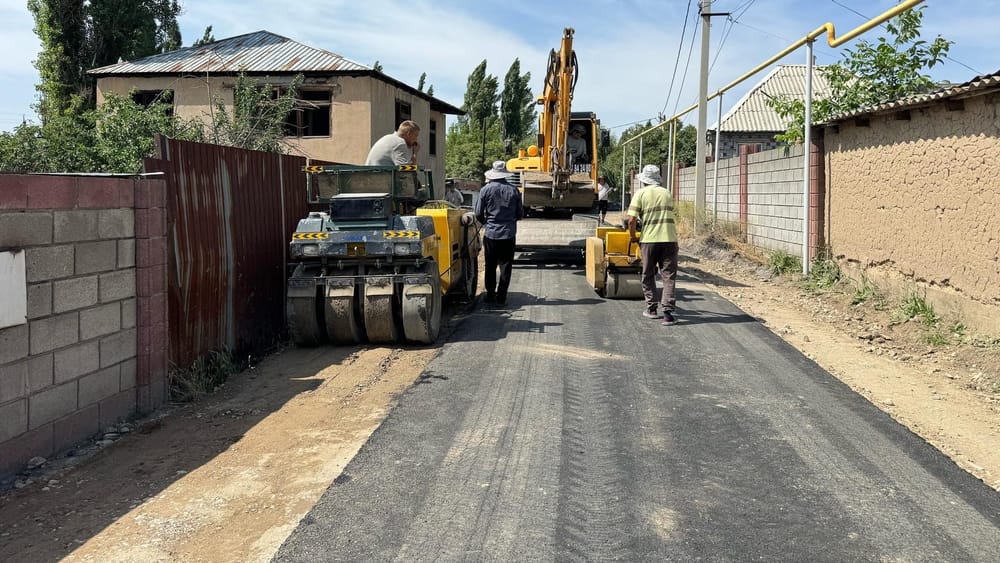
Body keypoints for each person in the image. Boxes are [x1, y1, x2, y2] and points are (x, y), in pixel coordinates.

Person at [627, 164, 679, 326]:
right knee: (668, 276)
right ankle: (668, 314)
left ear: (644, 180)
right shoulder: (667, 193)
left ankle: (652, 309)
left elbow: (631, 220)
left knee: (648, 274)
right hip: (669, 239)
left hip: (649, 239)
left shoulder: (640, 194)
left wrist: (633, 236)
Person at [474, 160, 524, 306]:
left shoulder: (485, 190)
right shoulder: (514, 190)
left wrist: (485, 221)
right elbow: (520, 214)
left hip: (491, 234)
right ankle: (501, 297)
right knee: (506, 266)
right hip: (508, 234)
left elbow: (478, 213)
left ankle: (490, 295)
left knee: (490, 265)